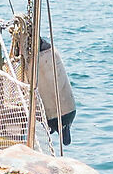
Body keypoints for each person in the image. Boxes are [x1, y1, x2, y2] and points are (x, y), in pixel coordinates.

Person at [10, 15, 77, 146]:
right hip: (44, 57)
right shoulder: (63, 116)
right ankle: (35, 41)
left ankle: (34, 41)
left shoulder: (68, 115)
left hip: (43, 58)